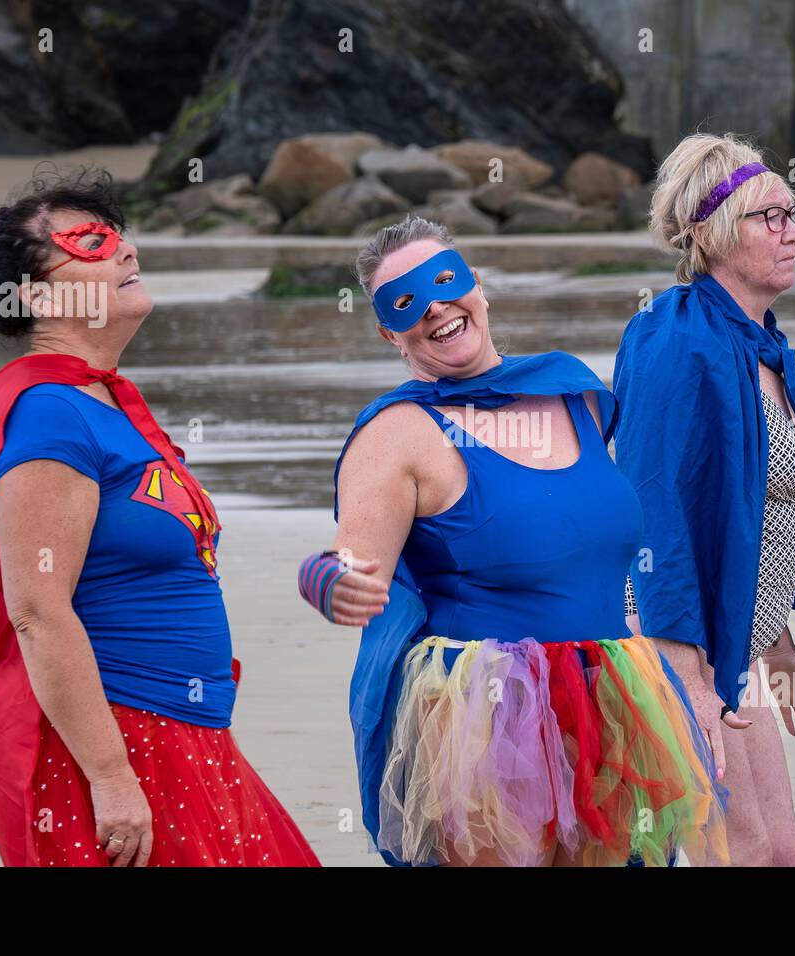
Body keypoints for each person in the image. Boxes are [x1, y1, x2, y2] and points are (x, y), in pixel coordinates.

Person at [297, 214, 729, 867]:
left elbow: (606, 553)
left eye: (447, 282)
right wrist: (327, 581)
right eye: (408, 301)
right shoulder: (398, 433)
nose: (437, 307)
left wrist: (686, 680)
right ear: (391, 331)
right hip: (485, 712)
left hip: (613, 690)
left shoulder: (572, 393)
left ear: (480, 288)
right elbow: (349, 564)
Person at [0, 169, 319, 867]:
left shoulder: (101, 402)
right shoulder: (51, 416)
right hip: (120, 742)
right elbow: (37, 611)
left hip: (188, 733)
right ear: (34, 294)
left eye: (119, 235)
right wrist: (113, 778)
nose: (122, 249)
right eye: (90, 240)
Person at [613, 133, 795, 866]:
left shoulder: (762, 344)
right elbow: (654, 513)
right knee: (734, 851)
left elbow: (757, 516)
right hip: (677, 648)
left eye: (793, 212)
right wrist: (687, 682)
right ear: (713, 232)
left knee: (783, 854)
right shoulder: (674, 341)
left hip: (734, 648)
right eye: (769, 217)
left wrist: (778, 647)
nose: (793, 231)